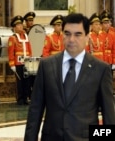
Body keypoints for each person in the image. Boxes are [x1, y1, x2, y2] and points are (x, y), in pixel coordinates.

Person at [24, 13, 115, 141]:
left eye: (78, 34)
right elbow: (35, 110)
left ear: (87, 37)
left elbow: (108, 116)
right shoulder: (46, 66)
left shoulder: (100, 69)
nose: (71, 39)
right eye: (67, 34)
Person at [8, 15, 33, 105]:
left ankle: (26, 98)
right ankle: (20, 99)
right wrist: (12, 64)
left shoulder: (26, 37)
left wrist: (30, 60)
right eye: (18, 25)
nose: (20, 26)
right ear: (14, 27)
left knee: (27, 81)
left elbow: (29, 50)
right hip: (18, 63)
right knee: (20, 82)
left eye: (21, 25)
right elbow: (11, 52)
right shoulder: (13, 38)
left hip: (26, 62)